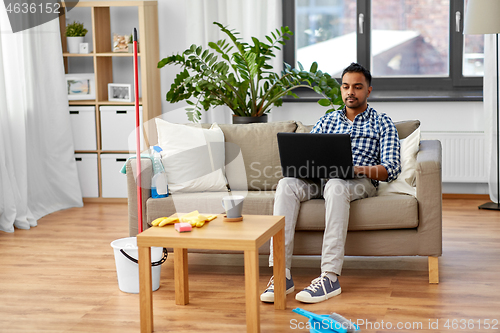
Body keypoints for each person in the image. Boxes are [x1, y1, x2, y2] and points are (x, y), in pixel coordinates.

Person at [260, 62, 401, 304]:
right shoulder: (328, 120)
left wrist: (356, 168)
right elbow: (309, 154)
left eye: (357, 87)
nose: (350, 92)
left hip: (358, 182)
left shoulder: (382, 122)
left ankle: (330, 276)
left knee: (336, 184)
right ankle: (281, 273)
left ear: (368, 90)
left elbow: (391, 169)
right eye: (346, 86)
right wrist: (304, 168)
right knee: (286, 184)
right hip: (320, 179)